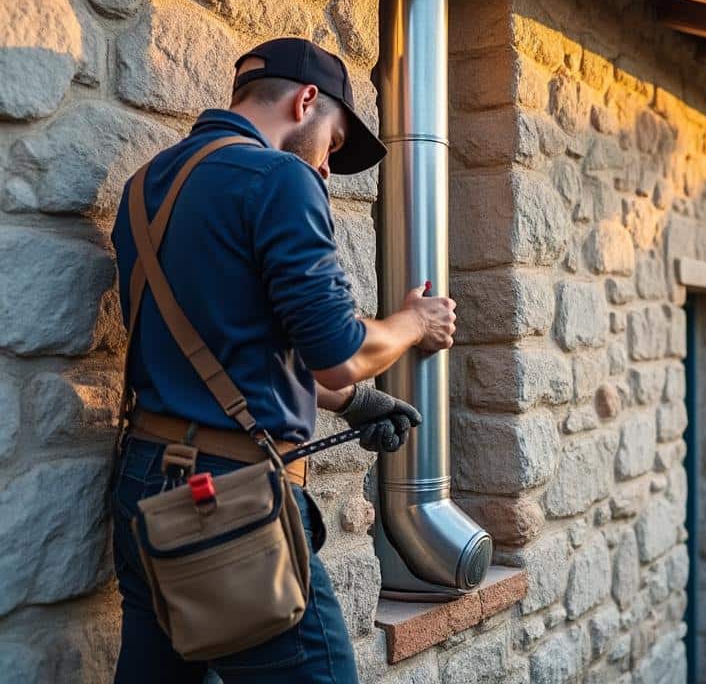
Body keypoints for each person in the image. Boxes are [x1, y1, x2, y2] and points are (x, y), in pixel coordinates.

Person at [108, 38, 455, 683]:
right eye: (333, 144)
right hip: (226, 500)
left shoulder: (144, 186)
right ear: (305, 101)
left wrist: (352, 404)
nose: (325, 168)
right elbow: (340, 355)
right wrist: (414, 322)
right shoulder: (280, 178)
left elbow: (220, 346)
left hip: (142, 483)